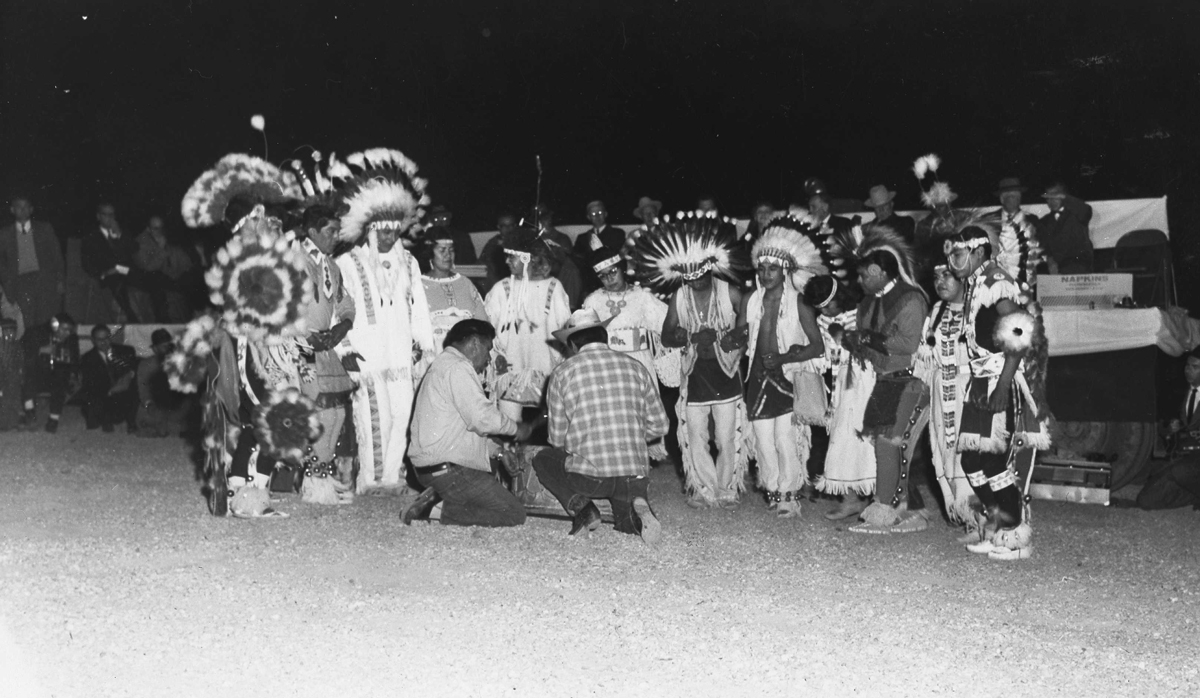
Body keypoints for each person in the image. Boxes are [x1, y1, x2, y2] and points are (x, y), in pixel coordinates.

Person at [335, 148, 437, 496]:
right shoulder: (349, 263)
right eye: (383, 232)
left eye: (395, 231)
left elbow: (419, 307)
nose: (389, 238)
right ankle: (373, 480)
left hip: (400, 357)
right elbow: (338, 308)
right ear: (370, 231)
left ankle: (392, 477)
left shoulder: (410, 263)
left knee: (404, 415)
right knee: (375, 417)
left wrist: (424, 346)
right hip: (367, 357)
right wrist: (344, 347)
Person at [946, 226, 1049, 560]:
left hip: (999, 380)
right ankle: (996, 525)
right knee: (972, 458)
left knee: (995, 463)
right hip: (981, 380)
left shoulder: (996, 283)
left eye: (958, 254)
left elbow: (1021, 332)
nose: (952, 261)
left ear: (978, 252)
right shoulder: (977, 282)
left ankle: (1016, 537)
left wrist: (1003, 386)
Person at [532, 308, 668, 542]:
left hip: (590, 480)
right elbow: (660, 426)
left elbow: (556, 438)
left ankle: (582, 507)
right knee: (625, 524)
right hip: (633, 474)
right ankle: (638, 506)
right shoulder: (635, 366)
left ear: (573, 346)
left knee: (543, 459)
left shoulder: (562, 372)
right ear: (604, 337)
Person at [726, 218, 826, 516]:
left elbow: (817, 346)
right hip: (757, 379)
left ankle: (790, 494)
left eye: (772, 269)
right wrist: (729, 338)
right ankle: (772, 489)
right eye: (762, 268)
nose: (766, 274)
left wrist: (783, 359)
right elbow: (741, 336)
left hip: (787, 377)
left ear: (785, 271)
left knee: (785, 439)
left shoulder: (799, 302)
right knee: (762, 440)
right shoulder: (750, 299)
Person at [653, 213, 749, 509]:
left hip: (726, 374)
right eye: (689, 276)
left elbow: (747, 330)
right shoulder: (679, 298)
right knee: (695, 435)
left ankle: (728, 488)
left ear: (710, 269)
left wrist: (725, 338)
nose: (694, 281)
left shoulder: (730, 291)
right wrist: (690, 337)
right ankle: (704, 489)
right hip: (693, 376)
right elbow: (667, 335)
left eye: (699, 275)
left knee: (725, 437)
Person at [404, 319, 534, 527]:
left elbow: (463, 428)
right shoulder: (458, 368)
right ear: (474, 343)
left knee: (489, 489)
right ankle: (436, 508)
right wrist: (517, 428)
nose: (489, 358)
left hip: (428, 469)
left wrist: (499, 452)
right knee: (513, 513)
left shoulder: (443, 364)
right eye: (488, 349)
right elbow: (481, 418)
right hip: (449, 471)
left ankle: (439, 498)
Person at [842, 231, 931, 534]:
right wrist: (855, 341)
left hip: (909, 380)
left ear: (879, 273)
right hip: (884, 380)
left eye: (864, 275)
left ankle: (893, 508)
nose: (860, 281)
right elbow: (869, 344)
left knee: (891, 444)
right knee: (887, 445)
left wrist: (869, 338)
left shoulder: (910, 298)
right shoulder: (868, 302)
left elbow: (908, 344)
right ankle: (906, 508)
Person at [805, 276, 876, 520]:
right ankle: (850, 499)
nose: (825, 311)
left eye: (829, 304)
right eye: (820, 307)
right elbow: (825, 354)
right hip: (839, 384)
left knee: (865, 439)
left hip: (863, 380)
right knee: (840, 438)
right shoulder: (823, 320)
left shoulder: (860, 313)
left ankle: (875, 499)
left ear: (840, 297)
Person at [484, 227, 570, 423]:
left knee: (552, 424)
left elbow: (565, 328)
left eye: (511, 257)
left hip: (546, 370)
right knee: (509, 425)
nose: (506, 262)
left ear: (526, 259)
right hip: (509, 370)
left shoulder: (553, 287)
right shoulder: (501, 289)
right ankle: (509, 453)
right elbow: (488, 328)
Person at [918, 265, 977, 535]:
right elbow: (926, 356)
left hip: (970, 390)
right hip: (942, 390)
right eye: (936, 276)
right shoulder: (937, 310)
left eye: (947, 276)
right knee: (945, 450)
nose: (939, 281)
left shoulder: (977, 308)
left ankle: (982, 519)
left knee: (972, 453)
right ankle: (965, 515)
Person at [1137, 346, 1200, 510]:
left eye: (1195, 367)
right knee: (1146, 500)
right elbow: (1162, 429)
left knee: (1180, 472)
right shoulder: (1178, 393)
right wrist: (1170, 428)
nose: (1188, 370)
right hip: (1182, 459)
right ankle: (1193, 495)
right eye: (1187, 366)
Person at [0, 195, 63, 329]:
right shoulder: (4, 234)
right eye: (18, 207)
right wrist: (7, 281)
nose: (22, 210)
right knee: (26, 323)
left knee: (47, 320)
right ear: (12, 210)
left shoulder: (45, 229)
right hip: (20, 284)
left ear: (31, 209)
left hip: (44, 281)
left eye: (26, 207)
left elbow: (57, 255)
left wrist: (60, 280)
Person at [422, 226, 488, 352]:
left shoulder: (465, 283)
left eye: (451, 250)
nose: (448, 255)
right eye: (442, 250)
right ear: (430, 253)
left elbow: (482, 322)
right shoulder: (419, 285)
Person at [82, 203, 152, 322]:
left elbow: (134, 249)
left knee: (152, 280)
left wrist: (119, 234)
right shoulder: (90, 237)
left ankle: (160, 319)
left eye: (112, 214)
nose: (109, 218)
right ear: (98, 216)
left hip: (127, 271)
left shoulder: (122, 232)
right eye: (106, 214)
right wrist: (104, 272)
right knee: (117, 282)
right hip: (108, 274)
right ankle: (132, 319)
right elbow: (86, 263)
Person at [20, 313, 79, 433]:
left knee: (61, 379)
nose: (67, 333)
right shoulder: (36, 333)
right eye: (64, 329)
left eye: (69, 330)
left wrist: (73, 372)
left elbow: (75, 360)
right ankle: (30, 412)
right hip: (36, 373)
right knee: (29, 376)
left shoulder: (71, 339)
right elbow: (21, 352)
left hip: (57, 376)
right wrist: (40, 350)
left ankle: (54, 419)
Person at [982, 178, 1041, 289]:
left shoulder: (1032, 221)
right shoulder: (989, 220)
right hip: (997, 278)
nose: (1012, 200)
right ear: (1002, 199)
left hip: (1025, 279)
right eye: (1009, 197)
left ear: (1020, 199)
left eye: (1015, 197)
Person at [80, 324, 139, 434]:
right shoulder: (87, 358)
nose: (104, 342)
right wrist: (110, 391)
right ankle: (105, 419)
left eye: (106, 338)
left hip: (123, 393)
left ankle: (131, 422)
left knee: (134, 388)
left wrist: (124, 381)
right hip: (104, 394)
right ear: (93, 340)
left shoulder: (126, 351)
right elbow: (90, 384)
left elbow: (132, 371)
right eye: (99, 339)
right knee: (91, 402)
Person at [134, 216, 194, 322]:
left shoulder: (166, 238)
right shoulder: (141, 242)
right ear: (148, 229)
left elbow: (184, 262)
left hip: (170, 277)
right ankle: (164, 321)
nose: (159, 231)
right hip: (149, 278)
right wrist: (161, 248)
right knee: (157, 280)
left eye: (161, 228)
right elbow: (148, 267)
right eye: (155, 228)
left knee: (192, 278)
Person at [1038, 182, 1094, 274]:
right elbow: (1045, 246)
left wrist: (1065, 197)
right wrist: (1050, 261)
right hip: (1055, 273)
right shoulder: (1044, 222)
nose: (1051, 201)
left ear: (1063, 197)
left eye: (1055, 197)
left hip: (1080, 271)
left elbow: (1086, 210)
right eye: (1048, 198)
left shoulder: (1078, 215)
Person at [135, 328, 176, 438]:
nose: (168, 349)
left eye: (170, 345)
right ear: (155, 349)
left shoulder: (180, 362)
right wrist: (149, 404)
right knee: (146, 420)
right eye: (164, 346)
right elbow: (142, 388)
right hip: (155, 402)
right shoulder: (146, 364)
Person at [481, 212, 518, 287]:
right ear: (498, 227)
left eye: (511, 225)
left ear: (515, 226)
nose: (508, 228)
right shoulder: (492, 243)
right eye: (504, 226)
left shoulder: (521, 242)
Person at [0, 318, 24, 431]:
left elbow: (21, 361)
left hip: (13, 377)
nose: (9, 333)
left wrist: (21, 373)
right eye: (6, 330)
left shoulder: (17, 345)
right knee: (4, 400)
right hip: (2, 377)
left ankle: (13, 423)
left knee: (14, 399)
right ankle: (3, 424)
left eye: (11, 330)